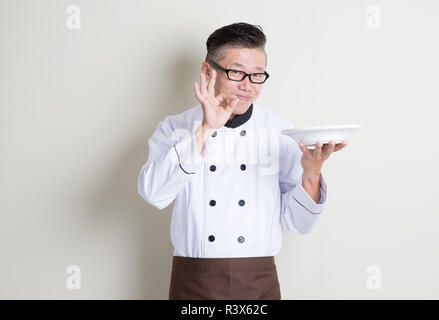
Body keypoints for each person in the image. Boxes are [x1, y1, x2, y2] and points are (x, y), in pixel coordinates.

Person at [137, 22, 347, 300]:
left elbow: (301, 225)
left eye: (257, 75)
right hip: (194, 280)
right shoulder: (175, 128)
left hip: (258, 281)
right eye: (237, 72)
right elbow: (153, 193)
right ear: (207, 71)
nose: (248, 86)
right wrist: (205, 130)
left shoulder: (281, 132)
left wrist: (310, 174)